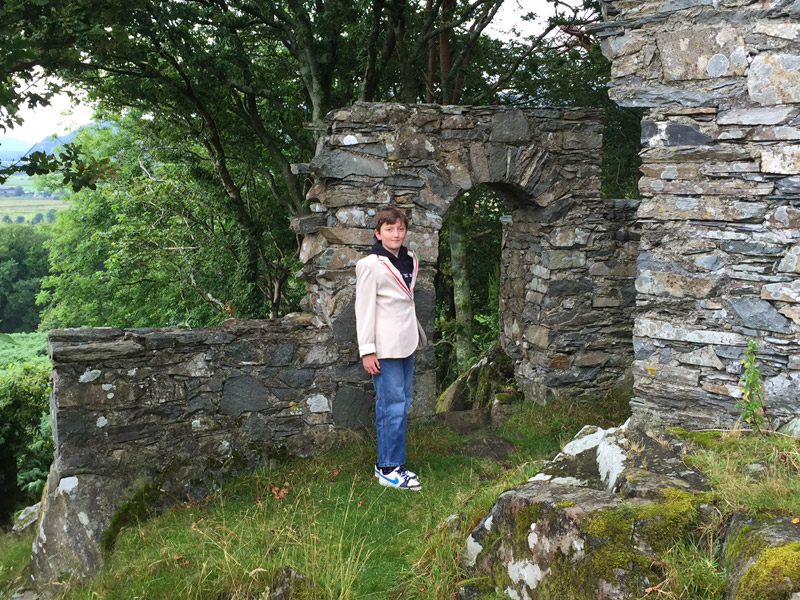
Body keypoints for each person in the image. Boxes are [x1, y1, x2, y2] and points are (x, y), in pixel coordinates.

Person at [355, 205, 427, 490]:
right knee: (391, 406)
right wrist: (367, 350)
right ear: (378, 233)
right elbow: (364, 310)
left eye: (400, 228)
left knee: (402, 403)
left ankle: (391, 462)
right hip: (383, 347)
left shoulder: (410, 258)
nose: (396, 234)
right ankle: (388, 468)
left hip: (406, 342)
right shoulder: (370, 265)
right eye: (389, 229)